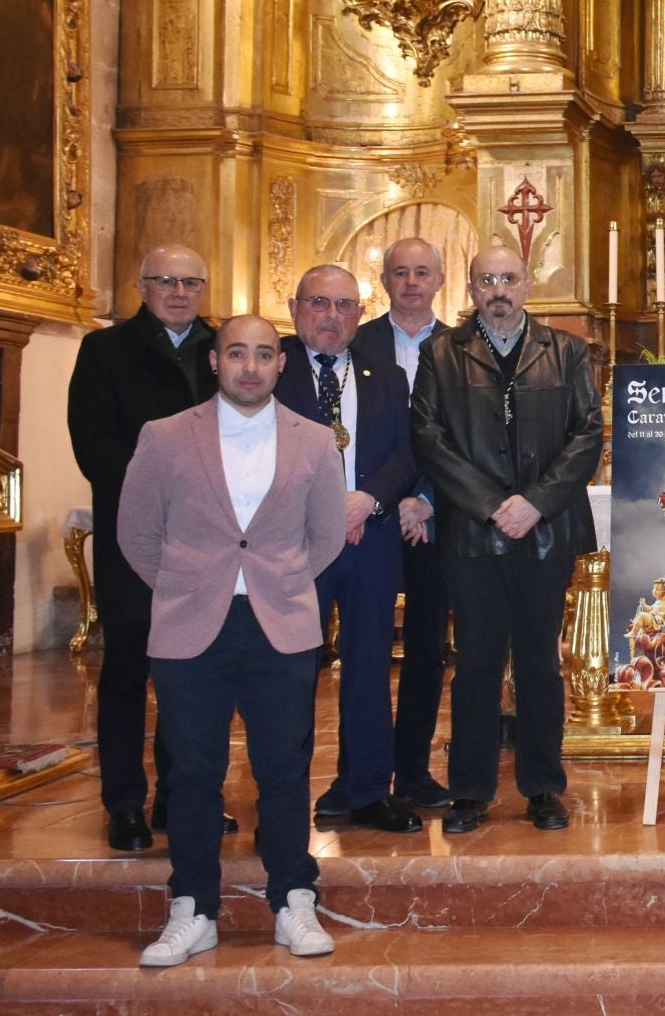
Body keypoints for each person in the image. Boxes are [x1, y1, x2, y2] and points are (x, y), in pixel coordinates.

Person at [119, 315, 346, 967]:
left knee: (284, 766)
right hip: (193, 624)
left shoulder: (312, 440)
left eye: (265, 354)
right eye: (237, 352)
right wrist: (187, 584)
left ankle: (293, 899)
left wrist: (277, 579)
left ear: (282, 364)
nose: (251, 365)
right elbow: (137, 531)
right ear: (215, 360)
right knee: (191, 772)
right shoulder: (165, 437)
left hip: (281, 623)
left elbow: (325, 534)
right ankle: (193, 907)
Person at [411, 245, 601, 834]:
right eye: (486, 279)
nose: (498, 289)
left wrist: (536, 503)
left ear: (528, 284)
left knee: (541, 663)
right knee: (476, 664)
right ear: (469, 288)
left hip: (545, 533)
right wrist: (494, 505)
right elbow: (429, 436)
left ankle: (543, 786)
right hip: (473, 534)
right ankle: (470, 790)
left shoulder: (565, 351)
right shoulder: (441, 353)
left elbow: (587, 434)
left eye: (509, 279)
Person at [66, 244, 229, 852]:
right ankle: (125, 803)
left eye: (192, 281)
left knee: (194, 675)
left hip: (209, 539)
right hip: (134, 537)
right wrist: (157, 496)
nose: (180, 291)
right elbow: (94, 443)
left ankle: (181, 796)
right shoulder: (105, 350)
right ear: (142, 284)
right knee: (128, 671)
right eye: (166, 280)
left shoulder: (224, 348)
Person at [274, 265, 421, 834]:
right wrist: (325, 509)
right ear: (295, 308)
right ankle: (283, 803)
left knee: (367, 669)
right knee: (290, 675)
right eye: (319, 303)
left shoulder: (385, 375)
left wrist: (368, 501)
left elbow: (408, 454)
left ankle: (367, 793)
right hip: (293, 545)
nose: (331, 315)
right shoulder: (273, 368)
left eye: (343, 305)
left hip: (370, 540)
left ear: (360, 314)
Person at [352, 236, 452, 809]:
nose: (411, 282)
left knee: (425, 650)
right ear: (384, 282)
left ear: (440, 281)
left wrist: (427, 499)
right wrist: (386, 499)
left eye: (422, 271)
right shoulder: (357, 341)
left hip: (435, 520)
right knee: (364, 650)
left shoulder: (462, 347)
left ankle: (413, 771)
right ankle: (359, 777)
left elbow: (468, 439)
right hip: (370, 516)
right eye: (400, 272)